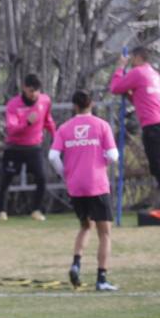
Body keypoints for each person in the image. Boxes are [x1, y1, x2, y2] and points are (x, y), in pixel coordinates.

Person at [49, 90, 120, 291]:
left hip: (76, 186)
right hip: (97, 184)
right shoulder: (101, 125)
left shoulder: (64, 128)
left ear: (74, 106)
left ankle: (76, 264)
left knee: (85, 226)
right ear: (91, 104)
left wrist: (66, 175)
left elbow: (53, 156)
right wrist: (101, 162)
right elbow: (114, 155)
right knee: (104, 233)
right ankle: (101, 278)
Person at [109, 46, 160, 222]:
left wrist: (120, 67)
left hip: (153, 127)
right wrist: (131, 95)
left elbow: (115, 87)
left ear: (138, 57)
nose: (130, 61)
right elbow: (145, 99)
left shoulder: (138, 72)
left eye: (132, 58)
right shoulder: (154, 74)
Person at [0, 73, 57, 221]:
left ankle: (36, 210)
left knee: (41, 178)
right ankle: (2, 212)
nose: (34, 94)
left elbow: (48, 121)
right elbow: (11, 128)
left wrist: (56, 137)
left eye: (37, 90)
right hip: (14, 147)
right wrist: (27, 123)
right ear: (24, 88)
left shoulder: (45, 100)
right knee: (6, 179)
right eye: (31, 91)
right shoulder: (13, 104)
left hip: (34, 147)